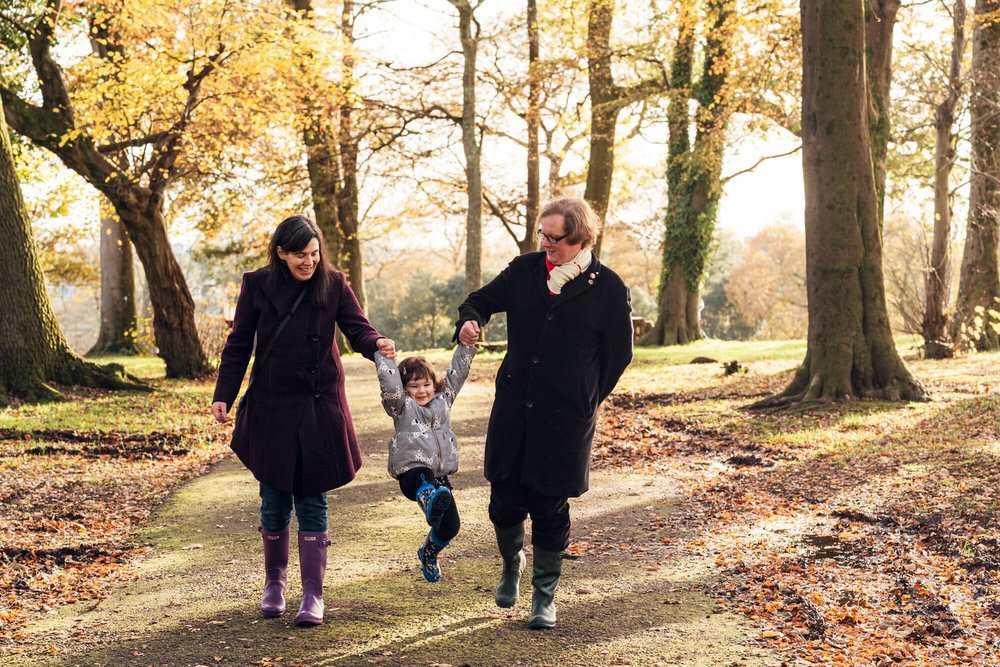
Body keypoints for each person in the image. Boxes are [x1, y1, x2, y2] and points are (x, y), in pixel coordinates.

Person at [454, 196, 633, 629]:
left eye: (556, 238)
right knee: (504, 500)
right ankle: (511, 562)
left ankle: (543, 596)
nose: (546, 244)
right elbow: (479, 299)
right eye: (543, 235)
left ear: (581, 239)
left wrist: (586, 397)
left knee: (550, 506)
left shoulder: (608, 288)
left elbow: (619, 355)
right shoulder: (524, 270)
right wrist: (470, 320)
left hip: (565, 419)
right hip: (514, 410)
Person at [211, 215, 395, 628]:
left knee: (313, 498)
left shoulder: (333, 282)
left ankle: (313, 593)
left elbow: (357, 328)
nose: (309, 262)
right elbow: (239, 342)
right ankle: (274, 584)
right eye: (300, 256)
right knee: (274, 497)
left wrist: (377, 344)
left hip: (318, 405)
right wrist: (224, 393)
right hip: (273, 406)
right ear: (281, 253)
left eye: (314, 254)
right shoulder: (257, 284)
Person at [374, 344, 476, 582]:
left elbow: (457, 373)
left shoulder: (444, 401)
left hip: (439, 476)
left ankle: (429, 551)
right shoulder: (401, 407)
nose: (422, 390)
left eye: (426, 384)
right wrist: (384, 358)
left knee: (451, 526)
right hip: (412, 472)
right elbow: (389, 387)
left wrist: (467, 347)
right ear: (404, 389)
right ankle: (428, 497)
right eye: (414, 386)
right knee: (423, 477)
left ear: (434, 384)